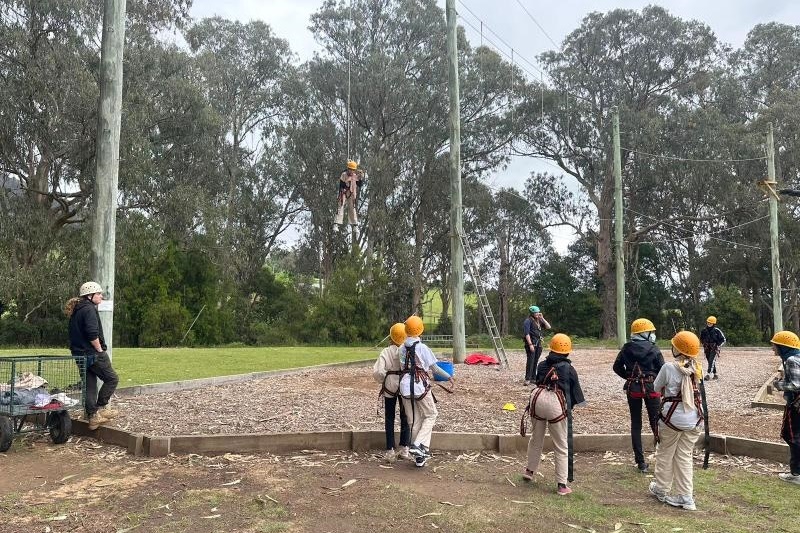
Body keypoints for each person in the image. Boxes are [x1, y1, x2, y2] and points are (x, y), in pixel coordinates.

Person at [522, 333, 586, 495]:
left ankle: (529, 471)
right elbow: (575, 394)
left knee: (536, 438)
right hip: (555, 405)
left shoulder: (542, 365)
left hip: (537, 399)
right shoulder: (569, 369)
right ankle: (561, 485)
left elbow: (538, 381)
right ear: (567, 352)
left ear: (552, 348)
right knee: (561, 445)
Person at [648, 330, 704, 511]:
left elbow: (656, 387)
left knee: (665, 453)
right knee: (684, 456)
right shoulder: (697, 368)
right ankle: (686, 497)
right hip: (694, 421)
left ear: (677, 349)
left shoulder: (669, 368)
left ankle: (661, 489)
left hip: (672, 420)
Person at [399, 315, 454, 468]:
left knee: (415, 421)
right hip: (419, 386)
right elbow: (435, 368)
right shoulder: (423, 348)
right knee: (431, 415)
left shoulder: (401, 348)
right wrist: (449, 377)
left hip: (404, 386)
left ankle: (420, 457)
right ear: (420, 331)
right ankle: (417, 445)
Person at [65, 281, 120, 431]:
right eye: (99, 294)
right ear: (90, 296)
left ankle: (93, 417)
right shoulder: (89, 309)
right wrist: (100, 350)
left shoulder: (77, 310)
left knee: (89, 384)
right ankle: (102, 408)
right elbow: (91, 333)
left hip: (79, 354)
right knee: (112, 378)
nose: (101, 296)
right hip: (92, 353)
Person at [613, 318, 665, 473]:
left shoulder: (626, 348)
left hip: (633, 388)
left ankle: (641, 462)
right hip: (652, 387)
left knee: (636, 424)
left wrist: (629, 377)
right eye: (651, 332)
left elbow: (616, 367)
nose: (653, 335)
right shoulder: (654, 349)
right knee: (656, 423)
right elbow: (662, 370)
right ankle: (663, 458)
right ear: (644, 333)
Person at [373, 323, 412, 463]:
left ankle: (390, 450)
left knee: (389, 417)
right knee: (405, 416)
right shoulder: (407, 350)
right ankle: (404, 448)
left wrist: (383, 379)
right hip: (404, 385)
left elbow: (377, 371)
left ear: (391, 337)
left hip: (389, 385)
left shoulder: (386, 352)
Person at [770, 330, 800, 485]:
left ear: (783, 346)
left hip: (796, 406)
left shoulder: (791, 360)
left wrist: (778, 384)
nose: (773, 348)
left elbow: (796, 385)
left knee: (793, 437)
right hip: (795, 405)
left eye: (775, 345)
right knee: (793, 436)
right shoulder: (795, 357)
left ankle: (797, 474)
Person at [522, 305, 551, 385]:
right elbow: (527, 334)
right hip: (531, 344)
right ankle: (527, 378)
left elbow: (549, 327)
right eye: (536, 313)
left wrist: (542, 318)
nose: (537, 314)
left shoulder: (539, 321)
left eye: (538, 312)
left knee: (535, 361)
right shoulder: (528, 321)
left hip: (539, 344)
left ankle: (533, 378)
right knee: (530, 361)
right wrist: (530, 344)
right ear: (532, 313)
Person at [334, 160, 364, 227]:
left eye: (353, 170)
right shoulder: (344, 174)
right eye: (350, 169)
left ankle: (355, 224)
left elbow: (359, 185)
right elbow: (341, 185)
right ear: (348, 169)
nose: (351, 171)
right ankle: (336, 222)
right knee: (341, 206)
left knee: (352, 208)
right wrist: (347, 182)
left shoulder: (355, 176)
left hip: (351, 194)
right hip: (344, 192)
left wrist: (361, 178)